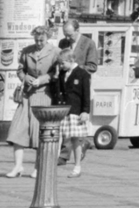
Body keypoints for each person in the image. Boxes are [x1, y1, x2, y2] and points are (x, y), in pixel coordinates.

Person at [5, 26, 60, 180]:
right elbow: (20, 69)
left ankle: (38, 167)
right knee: (17, 130)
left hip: (43, 95)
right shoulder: (27, 50)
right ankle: (18, 166)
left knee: (39, 133)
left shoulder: (55, 52)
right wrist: (24, 77)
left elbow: (56, 73)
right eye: (36, 39)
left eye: (41, 40)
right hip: (26, 95)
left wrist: (42, 80)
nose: (38, 42)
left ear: (47, 37)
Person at [57, 47, 95, 179]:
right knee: (61, 137)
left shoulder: (82, 74)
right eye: (59, 63)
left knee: (75, 139)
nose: (61, 66)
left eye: (63, 63)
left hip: (76, 111)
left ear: (71, 60)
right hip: (64, 110)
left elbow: (86, 94)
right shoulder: (62, 73)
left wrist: (85, 111)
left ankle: (77, 166)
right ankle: (55, 160)